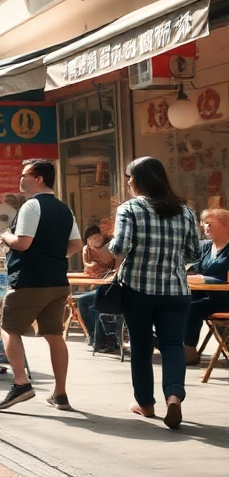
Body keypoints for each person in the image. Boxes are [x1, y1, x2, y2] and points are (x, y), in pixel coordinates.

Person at [109, 156, 201, 430]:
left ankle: (146, 404)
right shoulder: (184, 211)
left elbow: (120, 247)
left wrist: (112, 241)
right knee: (173, 345)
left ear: (139, 180)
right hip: (176, 291)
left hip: (138, 289)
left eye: (129, 177)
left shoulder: (130, 209)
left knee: (141, 346)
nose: (127, 182)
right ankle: (174, 396)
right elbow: (195, 252)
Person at [0, 159, 82, 412]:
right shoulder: (65, 209)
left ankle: (21, 383)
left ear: (39, 179)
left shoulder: (32, 206)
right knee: (54, 335)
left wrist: (5, 236)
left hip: (30, 280)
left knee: (9, 328)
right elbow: (76, 246)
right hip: (58, 281)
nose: (20, 179)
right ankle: (60, 393)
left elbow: (22, 243)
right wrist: (54, 258)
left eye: (24, 175)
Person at [183, 208, 229, 365]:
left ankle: (188, 349)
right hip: (207, 295)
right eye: (205, 223)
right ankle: (170, 342)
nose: (206, 227)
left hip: (225, 298)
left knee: (193, 307)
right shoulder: (207, 247)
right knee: (180, 300)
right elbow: (192, 265)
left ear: (226, 225)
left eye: (211, 223)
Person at [72, 224, 116, 346]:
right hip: (101, 283)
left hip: (111, 286)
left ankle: (102, 338)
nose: (96, 240)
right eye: (92, 238)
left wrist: (98, 260)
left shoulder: (111, 247)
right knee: (85, 301)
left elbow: (111, 265)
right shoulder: (87, 249)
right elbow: (87, 266)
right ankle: (96, 337)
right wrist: (93, 265)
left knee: (90, 303)